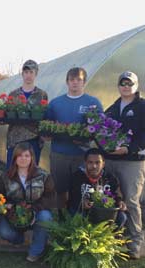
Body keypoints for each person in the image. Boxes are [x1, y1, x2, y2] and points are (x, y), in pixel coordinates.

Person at [103, 71, 145, 259]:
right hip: (111, 160)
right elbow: (103, 132)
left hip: (132, 162)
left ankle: (134, 244)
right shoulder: (112, 109)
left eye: (129, 83)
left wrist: (130, 149)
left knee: (132, 201)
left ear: (136, 85)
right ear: (118, 86)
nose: (125, 86)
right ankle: (108, 238)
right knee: (108, 199)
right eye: (122, 83)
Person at [45, 67, 103, 209]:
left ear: (84, 82)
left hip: (82, 155)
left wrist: (87, 137)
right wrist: (46, 134)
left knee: (81, 190)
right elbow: (47, 127)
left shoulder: (93, 103)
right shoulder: (55, 103)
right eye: (72, 80)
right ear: (67, 82)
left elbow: (100, 128)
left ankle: (79, 219)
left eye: (79, 80)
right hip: (59, 153)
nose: (75, 83)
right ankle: (63, 220)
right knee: (60, 190)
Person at [0, 142, 56, 262]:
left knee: (45, 217)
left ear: (32, 157)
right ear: (15, 158)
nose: (23, 159)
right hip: (14, 213)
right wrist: (6, 205)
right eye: (20, 156)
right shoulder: (6, 176)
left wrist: (34, 208)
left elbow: (51, 197)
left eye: (27, 156)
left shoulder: (43, 175)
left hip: (37, 210)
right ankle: (18, 239)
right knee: (3, 232)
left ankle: (35, 251)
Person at [67, 148, 127, 229]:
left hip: (105, 212)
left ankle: (110, 239)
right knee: (78, 216)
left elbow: (117, 194)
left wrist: (120, 202)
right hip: (83, 211)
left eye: (97, 162)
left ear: (103, 164)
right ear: (85, 163)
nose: (94, 166)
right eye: (90, 162)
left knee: (122, 217)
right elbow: (71, 198)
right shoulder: (77, 177)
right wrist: (81, 202)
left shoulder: (110, 178)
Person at [6, 60, 48, 166]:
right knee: (12, 173)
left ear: (36, 74)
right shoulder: (13, 94)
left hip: (33, 139)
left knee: (31, 173)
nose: (28, 75)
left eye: (31, 72)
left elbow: (45, 117)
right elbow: (7, 114)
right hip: (15, 140)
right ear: (22, 74)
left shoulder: (41, 95)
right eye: (26, 72)